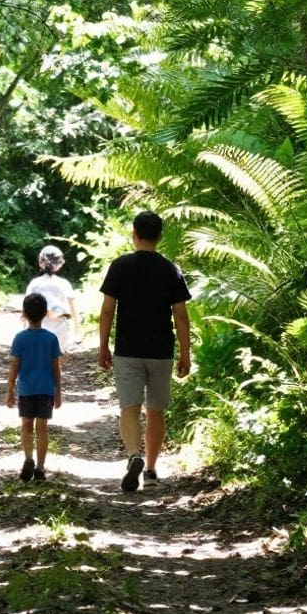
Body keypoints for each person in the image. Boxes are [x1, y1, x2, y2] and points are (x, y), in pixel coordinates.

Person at [98, 210, 192, 492]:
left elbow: (107, 310)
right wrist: (185, 353)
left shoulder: (120, 266)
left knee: (129, 407)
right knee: (156, 410)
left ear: (134, 234)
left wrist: (103, 345)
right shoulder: (170, 270)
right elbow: (181, 315)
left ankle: (133, 455)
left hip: (127, 349)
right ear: (159, 237)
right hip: (161, 350)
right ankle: (150, 470)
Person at [5, 292, 63, 482]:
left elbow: (15, 366)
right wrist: (59, 392)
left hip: (26, 389)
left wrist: (9, 390)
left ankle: (28, 458)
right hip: (46, 389)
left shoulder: (20, 338)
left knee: (26, 425)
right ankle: (39, 467)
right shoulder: (51, 339)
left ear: (24, 313)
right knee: (43, 428)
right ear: (46, 313)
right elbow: (56, 368)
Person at [24, 244, 79, 354]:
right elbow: (73, 309)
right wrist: (77, 328)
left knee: (39, 359)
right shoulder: (64, 284)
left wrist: (24, 327)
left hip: (38, 328)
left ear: (41, 262)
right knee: (57, 362)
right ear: (60, 264)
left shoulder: (34, 284)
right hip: (61, 330)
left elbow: (26, 307)